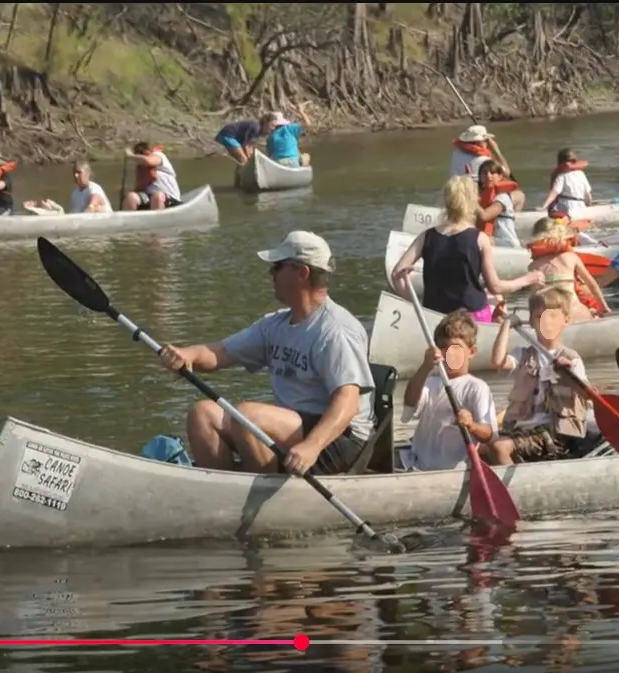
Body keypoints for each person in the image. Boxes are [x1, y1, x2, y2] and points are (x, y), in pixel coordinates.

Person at [157, 231, 377, 476]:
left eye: (277, 267)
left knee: (247, 416)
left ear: (302, 273)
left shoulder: (335, 330)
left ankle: (262, 497)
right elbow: (220, 352)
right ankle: (223, 492)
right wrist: (186, 355)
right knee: (202, 414)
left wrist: (311, 447)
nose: (271, 274)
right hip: (294, 427)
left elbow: (347, 404)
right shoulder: (275, 325)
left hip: (340, 439)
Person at [390, 175, 543, 322]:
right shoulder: (480, 238)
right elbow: (495, 286)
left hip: (434, 314)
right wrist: (528, 279)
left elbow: (397, 273)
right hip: (470, 318)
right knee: (497, 298)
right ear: (473, 203)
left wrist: (416, 304)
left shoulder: (426, 236)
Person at [482, 287, 598, 465]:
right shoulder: (523, 354)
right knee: (481, 447)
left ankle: (516, 492)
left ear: (565, 320)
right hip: (521, 430)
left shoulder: (571, 358)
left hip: (554, 434)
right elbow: (497, 362)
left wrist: (567, 375)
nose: (546, 323)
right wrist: (506, 325)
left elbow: (588, 395)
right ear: (531, 321)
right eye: (539, 317)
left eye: (553, 317)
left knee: (500, 447)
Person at [399, 310, 498, 471]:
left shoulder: (476, 387)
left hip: (453, 471)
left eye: (456, 348)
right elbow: (408, 410)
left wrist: (471, 425)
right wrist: (425, 367)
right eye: (443, 347)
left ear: (471, 352)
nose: (449, 353)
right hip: (416, 466)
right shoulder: (429, 382)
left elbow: (490, 434)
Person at [524, 217, 610, 322]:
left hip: (548, 319)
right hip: (574, 313)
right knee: (585, 309)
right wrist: (603, 306)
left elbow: (533, 300)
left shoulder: (533, 267)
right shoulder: (571, 257)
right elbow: (592, 284)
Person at [449, 124, 524, 211]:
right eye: (485, 141)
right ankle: (508, 220)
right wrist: (496, 150)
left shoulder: (456, 153)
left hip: (459, 197)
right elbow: (507, 173)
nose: (487, 142)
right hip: (478, 200)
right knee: (520, 196)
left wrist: (487, 151)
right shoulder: (484, 160)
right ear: (478, 142)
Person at [23, 161, 112, 214]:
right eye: (74, 173)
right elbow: (72, 214)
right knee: (52, 207)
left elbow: (94, 201)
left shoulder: (94, 188)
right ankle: (39, 205)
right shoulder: (75, 193)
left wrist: (91, 207)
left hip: (103, 221)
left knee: (96, 208)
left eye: (79, 172)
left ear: (87, 174)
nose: (76, 175)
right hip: (79, 220)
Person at [476, 160, 523, 248]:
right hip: (495, 240)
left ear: (500, 176)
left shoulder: (502, 198)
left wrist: (471, 199)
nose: (488, 176)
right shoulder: (482, 197)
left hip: (507, 243)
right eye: (484, 173)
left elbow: (484, 216)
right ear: (480, 177)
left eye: (492, 173)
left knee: (478, 238)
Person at [123, 142, 182, 211]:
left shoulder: (158, 155)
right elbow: (139, 188)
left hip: (169, 198)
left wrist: (130, 155)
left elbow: (148, 161)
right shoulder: (141, 168)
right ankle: (127, 220)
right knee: (131, 197)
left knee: (157, 196)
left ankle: (158, 220)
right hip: (149, 199)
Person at [539, 148, 593, 215]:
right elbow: (588, 195)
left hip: (566, 207)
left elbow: (554, 193)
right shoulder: (581, 174)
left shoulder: (561, 176)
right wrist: (589, 206)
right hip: (580, 205)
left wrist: (544, 206)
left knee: (552, 209)